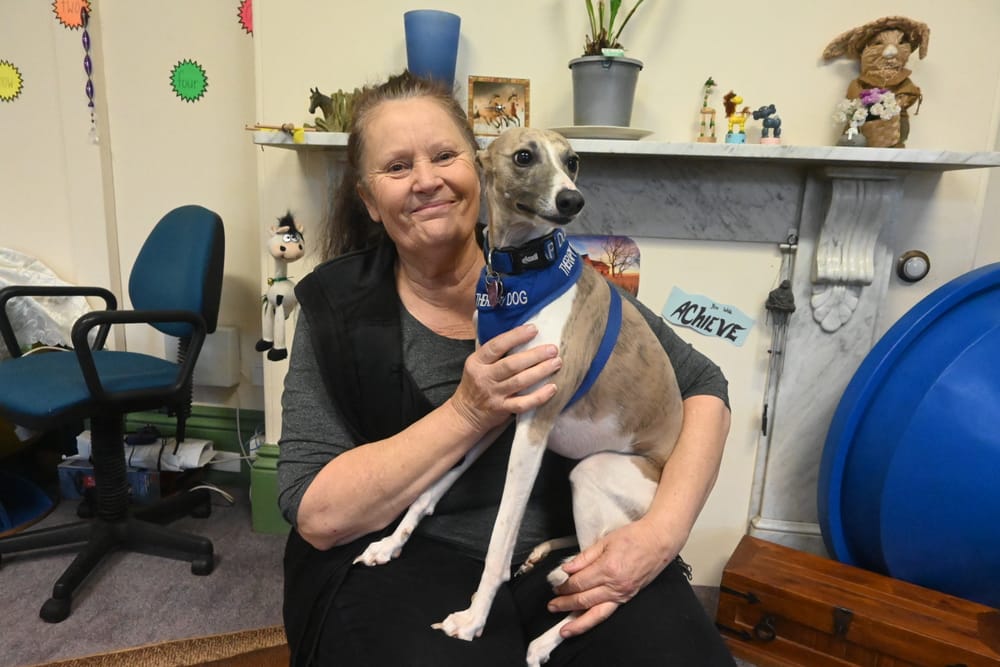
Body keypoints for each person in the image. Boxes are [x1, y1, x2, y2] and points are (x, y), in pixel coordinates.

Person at [277, 70, 736, 667]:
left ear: (478, 167)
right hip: (412, 558)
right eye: (396, 168)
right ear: (367, 199)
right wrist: (469, 410)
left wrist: (658, 537)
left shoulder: (561, 279)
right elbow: (315, 513)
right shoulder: (332, 309)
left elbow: (706, 387)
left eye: (445, 155)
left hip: (566, 543)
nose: (427, 180)